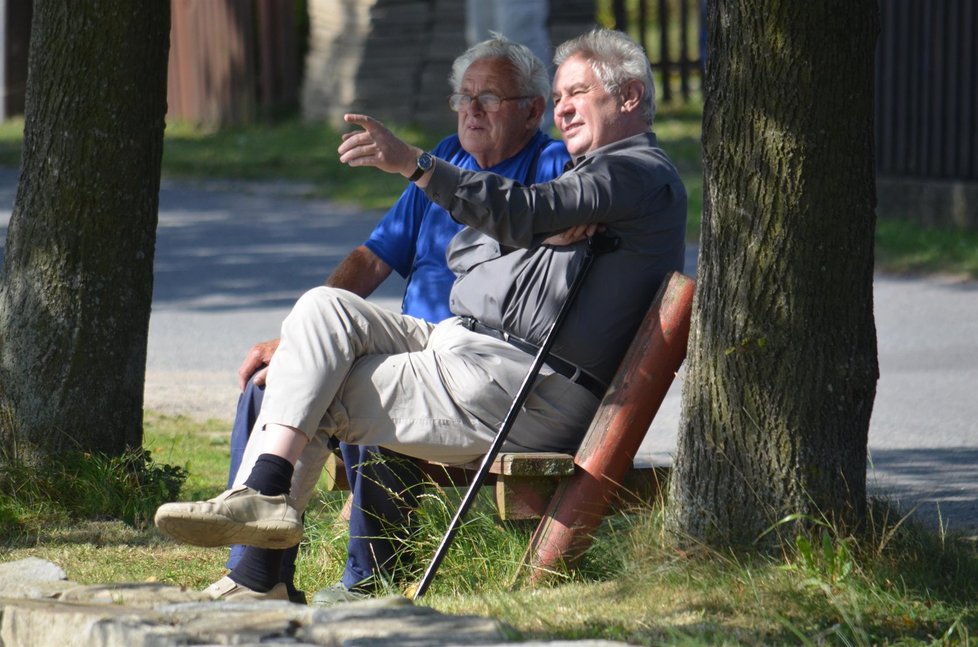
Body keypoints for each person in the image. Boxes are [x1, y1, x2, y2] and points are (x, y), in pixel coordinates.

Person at [155, 27, 687, 598]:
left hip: (518, 382)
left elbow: (522, 213)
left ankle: (259, 575)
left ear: (628, 96)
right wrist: (535, 233)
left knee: (308, 383)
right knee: (324, 308)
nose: (562, 107)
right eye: (558, 95)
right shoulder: (584, 183)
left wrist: (420, 166)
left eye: (575, 92)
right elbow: (464, 252)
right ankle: (263, 498)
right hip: (463, 351)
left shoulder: (633, 172)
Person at [201, 36, 570, 603]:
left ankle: (368, 576)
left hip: (471, 361)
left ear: (532, 109)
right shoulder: (447, 154)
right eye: (463, 96)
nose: (471, 109)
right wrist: (298, 339)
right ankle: (253, 568)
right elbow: (374, 258)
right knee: (268, 379)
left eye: (489, 98)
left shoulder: (549, 167)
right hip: (411, 341)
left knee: (371, 385)